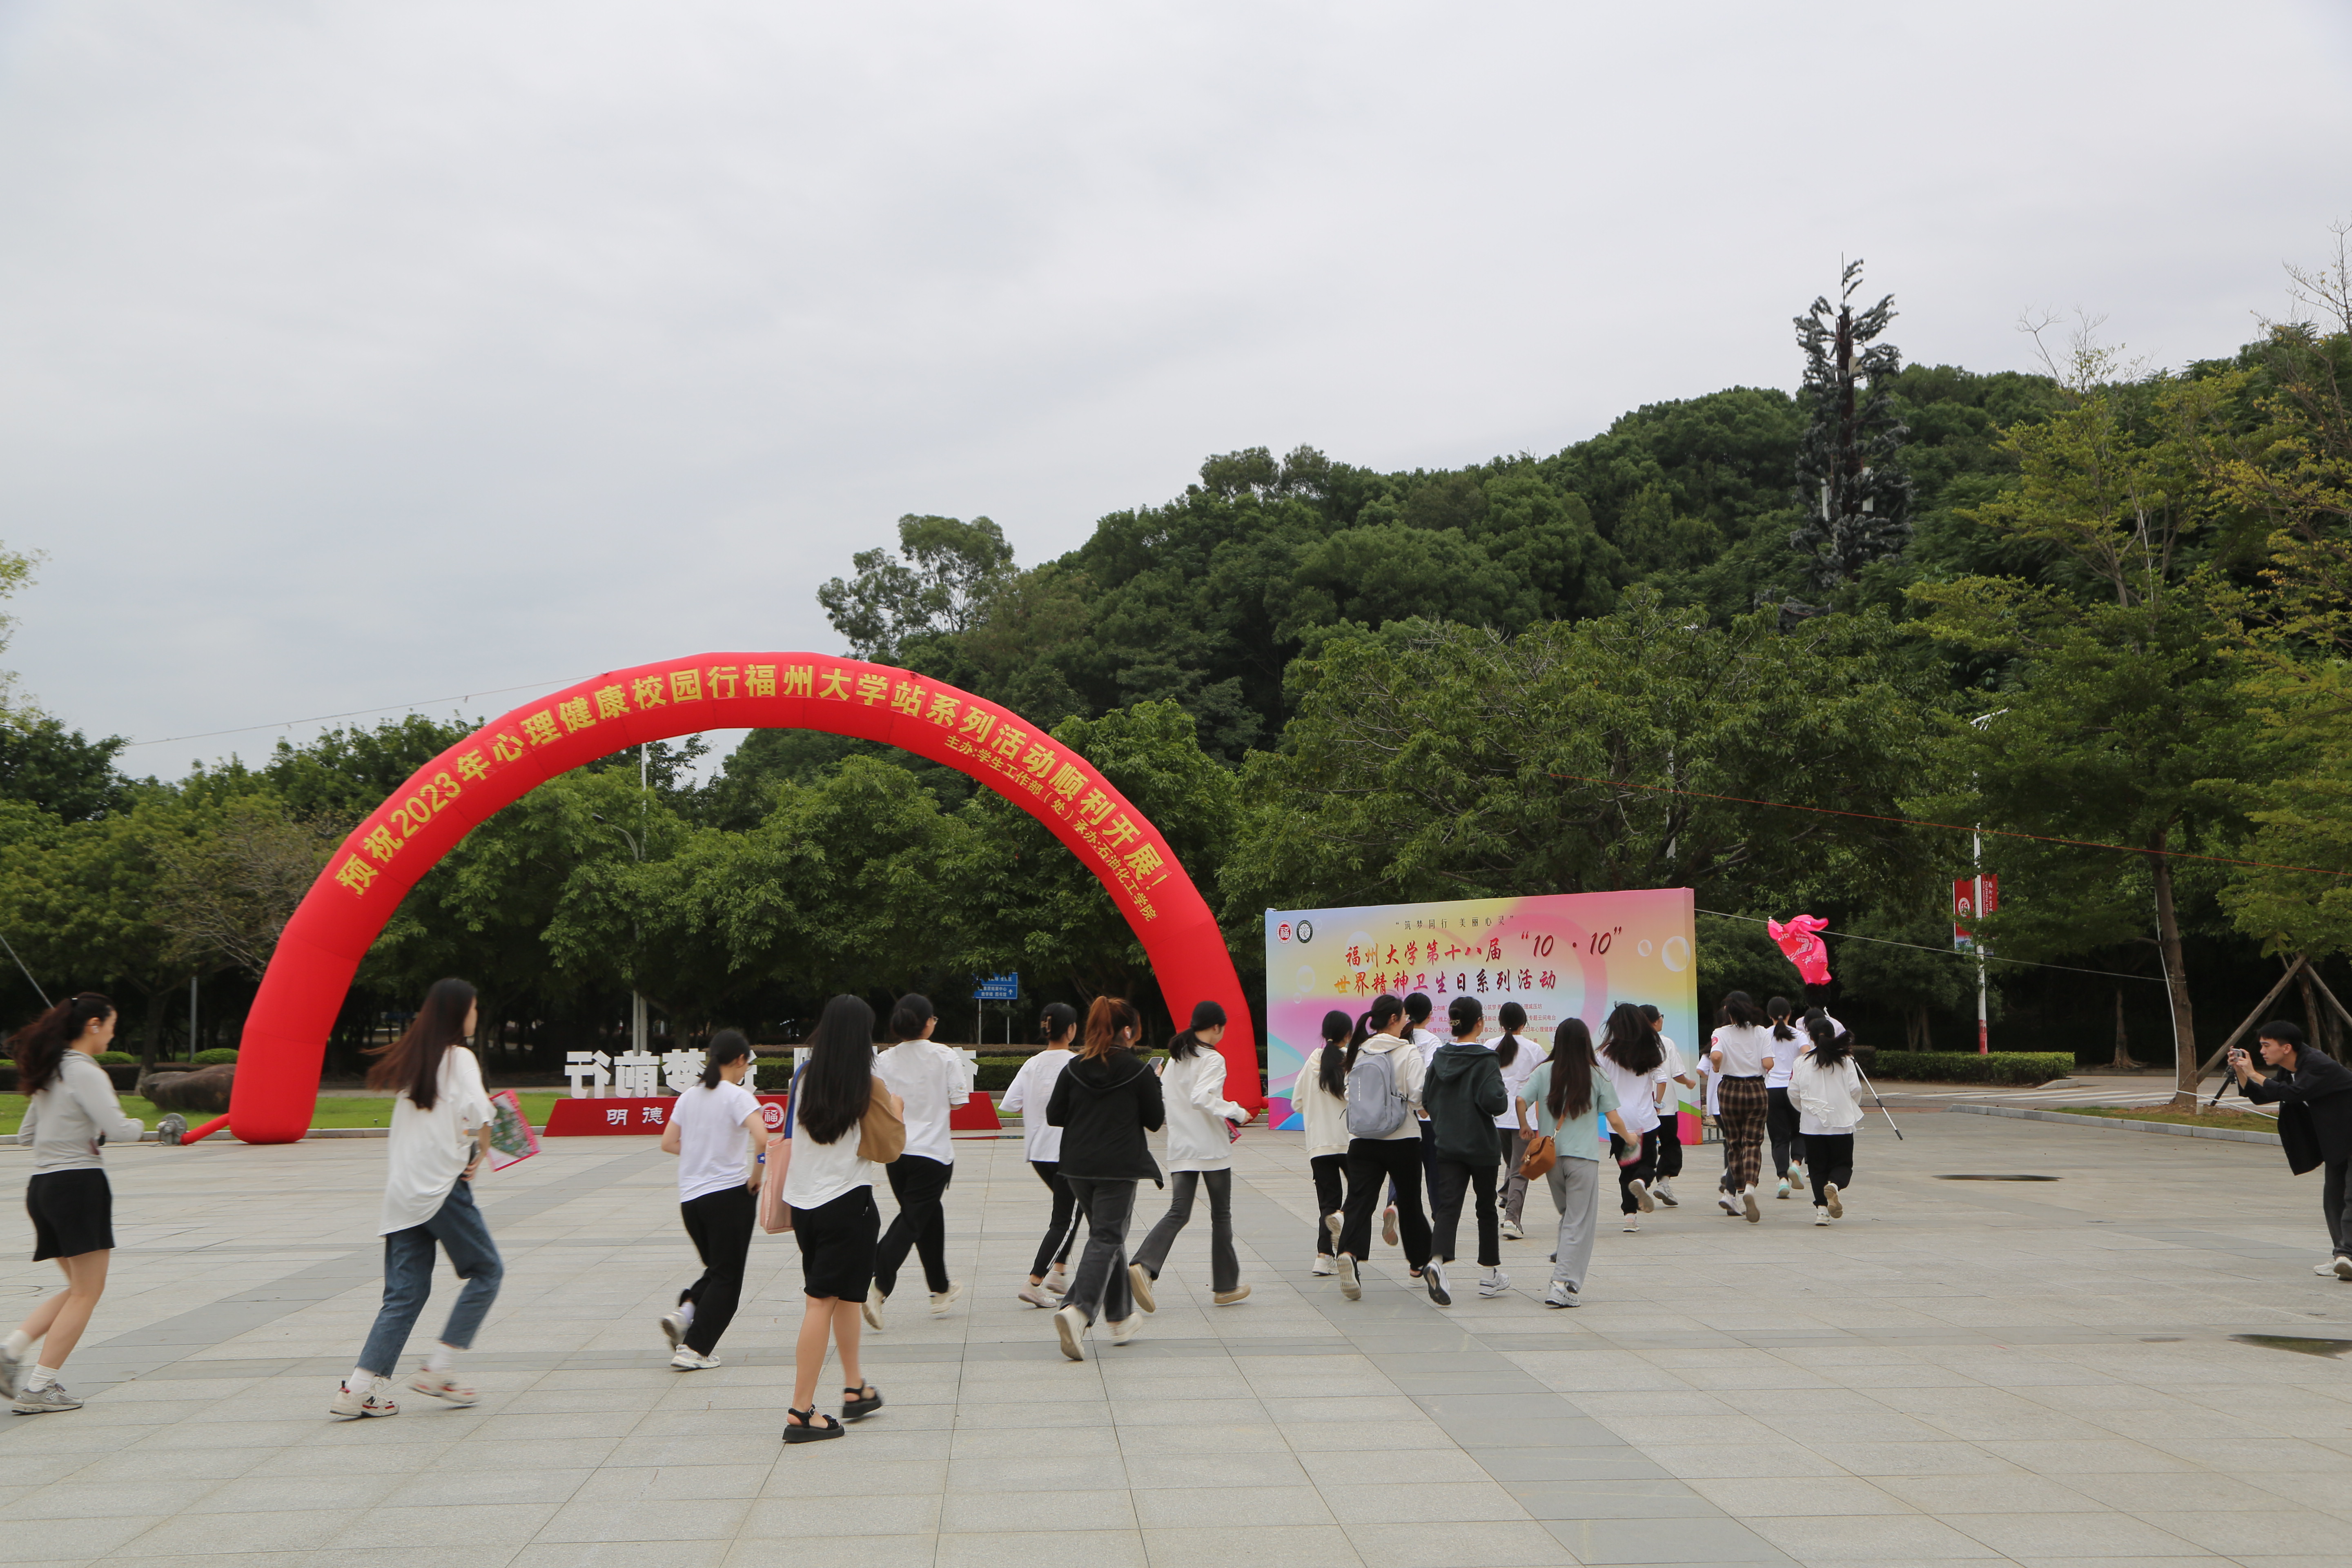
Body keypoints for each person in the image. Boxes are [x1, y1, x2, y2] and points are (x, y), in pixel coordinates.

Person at [332, 978, 501, 1419]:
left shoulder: (414, 1061)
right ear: (459, 1012)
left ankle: (356, 1390)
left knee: (405, 1294)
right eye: (474, 1008)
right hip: (442, 1187)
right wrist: (481, 1151)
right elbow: (482, 1111)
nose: (476, 1015)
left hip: (403, 1193)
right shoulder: (460, 1057)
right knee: (487, 1272)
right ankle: (438, 1369)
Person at [4, 993, 140, 1414]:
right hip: (78, 1186)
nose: (113, 1035)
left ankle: (10, 1352)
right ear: (94, 1024)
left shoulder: (52, 1070)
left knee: (78, 1289)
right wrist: (146, 1127)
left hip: (43, 1189)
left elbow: (27, 1136)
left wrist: (81, 1130)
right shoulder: (85, 1070)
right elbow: (121, 1129)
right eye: (112, 1026)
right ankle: (39, 1387)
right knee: (87, 1292)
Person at [780, 995, 899, 1441]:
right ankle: (801, 1410)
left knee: (848, 1296)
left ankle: (855, 1387)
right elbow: (890, 1148)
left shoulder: (803, 1077)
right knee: (821, 1302)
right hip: (848, 1204)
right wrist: (896, 1109)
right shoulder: (868, 1084)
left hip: (804, 1206)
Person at [1045, 998, 1165, 1361]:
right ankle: (1078, 1310)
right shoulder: (1138, 1071)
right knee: (1108, 1236)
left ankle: (1121, 1317)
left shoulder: (1074, 1068)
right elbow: (1155, 1120)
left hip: (1077, 1167)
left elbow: (1054, 1114)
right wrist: (1155, 1083)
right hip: (1118, 1167)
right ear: (1127, 1031)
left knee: (1107, 1235)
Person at [1132, 1001, 1257, 1310]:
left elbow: (1166, 1099)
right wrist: (1237, 1111)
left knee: (1179, 1211)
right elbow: (1203, 1098)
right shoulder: (1213, 1059)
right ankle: (1225, 1287)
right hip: (1211, 1149)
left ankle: (1144, 1265)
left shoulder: (1176, 1059)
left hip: (1181, 1147)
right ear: (1216, 1027)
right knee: (1221, 1215)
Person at [657, 1030, 767, 1369]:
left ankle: (687, 1311)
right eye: (747, 1064)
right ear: (739, 1060)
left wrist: (700, 1154)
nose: (746, 1070)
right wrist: (757, 1176)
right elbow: (763, 1138)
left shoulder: (689, 1096)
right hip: (729, 1197)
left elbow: (668, 1143)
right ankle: (694, 1349)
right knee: (728, 1278)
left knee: (719, 1268)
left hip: (692, 1202)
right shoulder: (737, 1096)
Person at [866, 993, 971, 1328]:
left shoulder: (883, 1060)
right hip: (933, 1154)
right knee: (913, 1220)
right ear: (928, 1023)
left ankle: (940, 1289)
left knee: (925, 1216)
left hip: (897, 1154)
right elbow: (959, 1102)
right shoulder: (945, 1055)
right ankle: (878, 1283)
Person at [1516, 1018, 1636, 1308]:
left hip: (1550, 1158)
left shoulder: (1543, 1071)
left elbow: (1520, 1100)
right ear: (1585, 1043)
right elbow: (1614, 1119)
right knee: (1579, 1220)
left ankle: (1565, 1255)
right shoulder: (1596, 1074)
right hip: (1583, 1159)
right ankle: (1560, 1284)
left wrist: (1525, 1127)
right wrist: (1630, 1138)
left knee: (1569, 1214)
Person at [1332, 995, 1434, 1302]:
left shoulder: (1359, 1050)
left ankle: (1349, 1253)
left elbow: (1349, 1093)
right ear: (1393, 1019)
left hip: (1362, 1140)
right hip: (1402, 1139)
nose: (1406, 1022)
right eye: (1404, 1017)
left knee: (1360, 1201)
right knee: (1410, 1203)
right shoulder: (1407, 1051)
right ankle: (1421, 1262)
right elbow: (1418, 1096)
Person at [2230, 1021, 2352, 1278]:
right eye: (2261, 1046)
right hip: (2339, 1140)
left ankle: (2348, 1255)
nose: (2262, 1051)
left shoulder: (2317, 1064)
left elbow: (2294, 1094)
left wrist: (2254, 1073)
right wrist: (2242, 1071)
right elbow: (2264, 1095)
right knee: (2333, 1199)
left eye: (2267, 1045)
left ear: (2286, 1048)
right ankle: (2342, 1257)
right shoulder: (2290, 1068)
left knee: (2351, 1198)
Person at [1424, 996, 1509, 1303]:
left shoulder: (1439, 1057)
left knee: (1448, 1206)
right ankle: (1489, 1275)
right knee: (1486, 1208)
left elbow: (1427, 1100)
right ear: (1480, 1023)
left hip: (1447, 1144)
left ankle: (1437, 1261)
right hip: (1482, 1146)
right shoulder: (1486, 1060)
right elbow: (1495, 1103)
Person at [1000, 1001, 1084, 1308]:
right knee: (1065, 1218)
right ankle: (1035, 1282)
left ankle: (1059, 1273)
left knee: (1075, 1209)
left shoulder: (1032, 1064)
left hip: (1038, 1153)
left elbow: (1011, 1104)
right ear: (1072, 1029)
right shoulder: (1078, 1063)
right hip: (1067, 1152)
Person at [1595, 1003, 1666, 1232]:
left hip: (1617, 1120)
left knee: (1626, 1169)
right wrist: (1658, 1104)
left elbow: (1596, 1084)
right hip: (1645, 1119)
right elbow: (1661, 1079)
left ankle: (1630, 1218)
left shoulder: (1603, 1054)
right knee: (1648, 1163)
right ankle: (1642, 1182)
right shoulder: (1651, 1049)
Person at [1295, 1010, 1356, 1276]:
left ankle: (1323, 1257)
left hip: (1318, 1143)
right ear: (1348, 1034)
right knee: (1361, 1192)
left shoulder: (1312, 1061)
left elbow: (1297, 1102)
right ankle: (1344, 1225)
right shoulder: (1351, 1061)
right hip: (1349, 1141)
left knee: (1327, 1202)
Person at [1708, 991, 1776, 1223]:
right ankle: (1750, 1186)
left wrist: (1717, 1067)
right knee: (1753, 1142)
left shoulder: (1720, 1033)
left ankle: (1737, 1188)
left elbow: (1716, 1056)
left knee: (1734, 1142)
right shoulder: (1762, 1032)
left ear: (1728, 1011)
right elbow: (1768, 1062)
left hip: (1730, 1090)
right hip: (1757, 1089)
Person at [1787, 1016, 1862, 1225]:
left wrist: (1806, 1110)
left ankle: (1822, 1211)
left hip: (1812, 1125)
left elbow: (1793, 1092)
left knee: (1817, 1168)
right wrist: (1847, 1106)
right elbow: (1855, 1089)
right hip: (1841, 1123)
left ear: (1810, 1037)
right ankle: (1835, 1185)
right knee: (1843, 1164)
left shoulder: (1801, 1062)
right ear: (1833, 1035)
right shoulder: (1846, 1061)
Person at [1490, 1002, 1541, 1239]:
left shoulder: (1490, 1046)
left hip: (1497, 1117)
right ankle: (1512, 1218)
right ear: (1524, 1023)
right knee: (1521, 1170)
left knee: (1512, 1164)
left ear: (1501, 1023)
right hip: (1524, 1121)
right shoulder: (1534, 1049)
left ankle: (1505, 1195)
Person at [1640, 1004, 1695, 1207]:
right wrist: (1688, 1082)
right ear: (1655, 1021)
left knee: (1642, 1147)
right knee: (1670, 1144)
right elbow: (1677, 1074)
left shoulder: (1631, 1044)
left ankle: (1639, 1182)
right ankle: (1664, 1183)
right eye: (1661, 1016)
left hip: (1641, 1108)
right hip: (1666, 1106)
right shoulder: (1666, 1043)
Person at [1763, 996, 1807, 1199]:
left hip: (1771, 1090)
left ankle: (1782, 1180)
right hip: (1795, 1090)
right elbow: (1808, 1056)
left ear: (1769, 1015)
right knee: (1800, 1132)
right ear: (1790, 1014)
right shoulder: (1799, 1035)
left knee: (1779, 1139)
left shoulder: (1764, 1035)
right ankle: (1796, 1164)